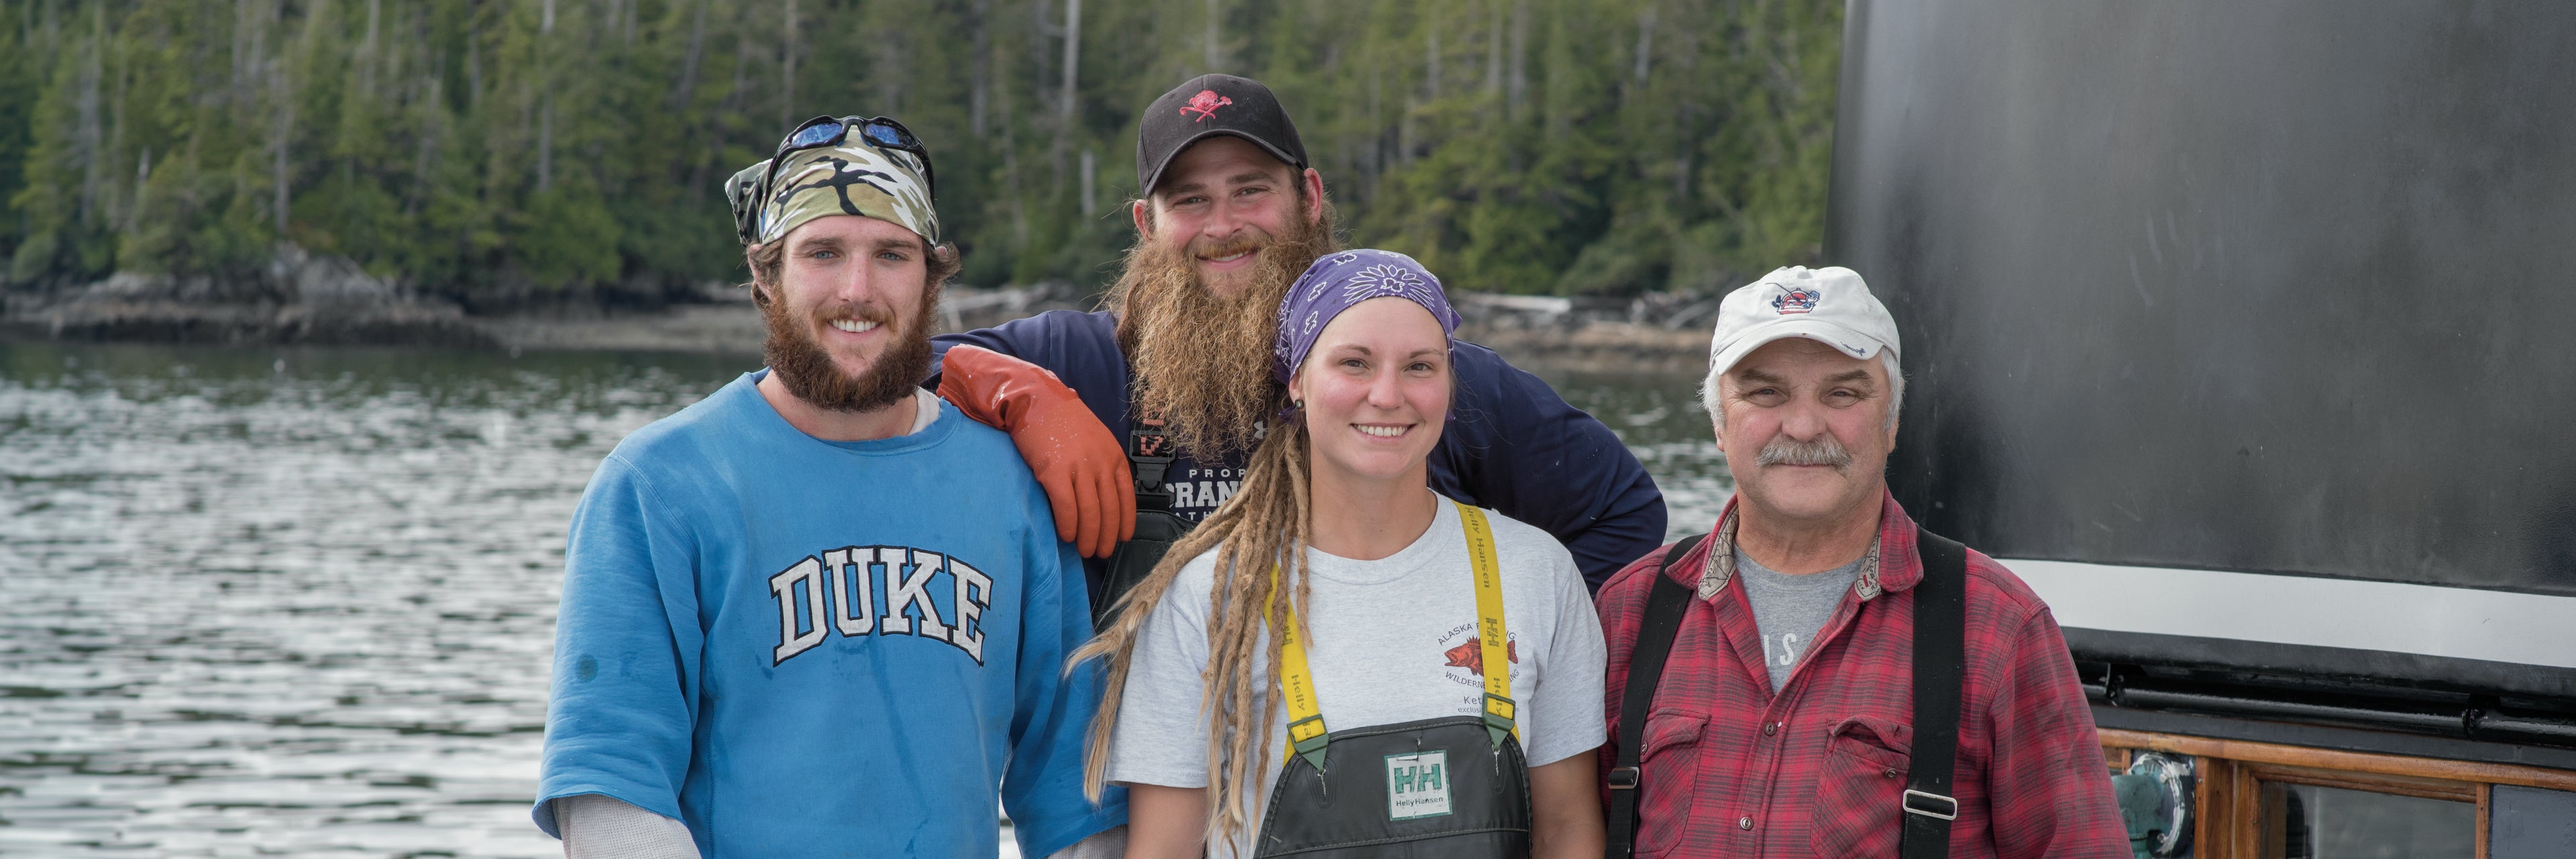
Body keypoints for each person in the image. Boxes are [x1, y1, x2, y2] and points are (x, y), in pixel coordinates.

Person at [532, 114, 1121, 858]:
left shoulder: (1011, 488)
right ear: (765, 273)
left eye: (892, 254)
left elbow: (1076, 795)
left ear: (932, 276)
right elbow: (610, 786)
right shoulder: (657, 486)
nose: (857, 289)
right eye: (823, 252)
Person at [928, 74, 1666, 610]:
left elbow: (1625, 515)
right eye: (1190, 200)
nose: (1224, 225)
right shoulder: (1081, 361)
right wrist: (1017, 389)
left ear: (1309, 199)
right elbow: (876, 372)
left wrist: (1504, 643)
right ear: (1146, 226)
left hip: (1371, 792)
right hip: (1145, 798)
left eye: (1251, 189)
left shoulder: (1414, 384)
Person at [1083, 250, 1609, 859]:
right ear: (1297, 381)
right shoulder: (1210, 595)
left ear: (1449, 382)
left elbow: (1568, 831)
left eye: (1419, 366)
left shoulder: (1536, 572)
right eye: (1354, 363)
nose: (1387, 396)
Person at [1592, 266, 2128, 858]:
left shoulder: (1999, 627)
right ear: (1720, 421)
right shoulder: (1628, 613)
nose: (1801, 426)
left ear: (1892, 420)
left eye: (1842, 393)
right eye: (1765, 392)